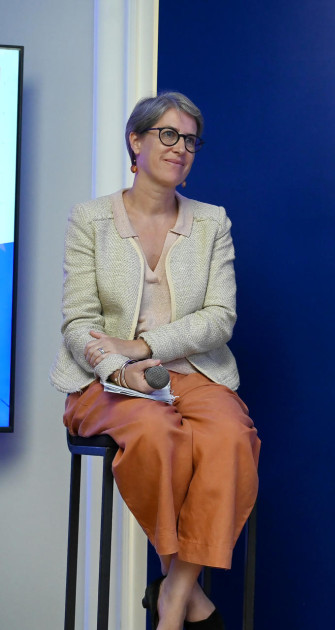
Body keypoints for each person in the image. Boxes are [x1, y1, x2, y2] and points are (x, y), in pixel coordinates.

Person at [50, 92, 260, 630]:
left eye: (190, 140)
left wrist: (143, 348)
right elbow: (78, 322)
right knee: (155, 433)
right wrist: (118, 368)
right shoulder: (90, 219)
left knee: (230, 440)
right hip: (108, 382)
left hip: (193, 371)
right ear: (136, 141)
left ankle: (174, 595)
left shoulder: (212, 222)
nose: (180, 147)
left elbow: (219, 319)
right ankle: (187, 598)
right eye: (168, 134)